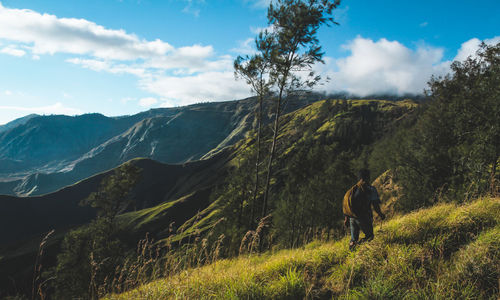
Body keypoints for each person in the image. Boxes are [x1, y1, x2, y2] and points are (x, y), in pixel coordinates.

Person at [343, 169, 385, 250]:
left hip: (352, 217)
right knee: (370, 236)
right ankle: (359, 246)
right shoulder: (370, 189)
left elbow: (346, 203)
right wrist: (380, 214)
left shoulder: (352, 190)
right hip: (363, 217)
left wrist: (346, 218)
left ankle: (352, 253)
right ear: (368, 177)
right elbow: (375, 204)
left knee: (353, 239)